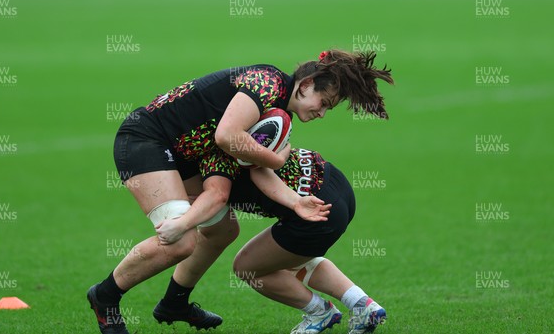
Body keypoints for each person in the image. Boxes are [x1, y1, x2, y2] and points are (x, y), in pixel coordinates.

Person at [87, 50, 394, 334]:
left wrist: (294, 200)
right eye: (324, 102)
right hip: (147, 141)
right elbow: (226, 136)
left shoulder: (271, 112)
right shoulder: (268, 82)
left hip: (190, 153)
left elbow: (240, 160)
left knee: (222, 230)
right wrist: (277, 157)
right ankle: (106, 296)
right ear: (307, 83)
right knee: (181, 242)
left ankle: (174, 302)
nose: (322, 113)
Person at [158, 145, 388, 334]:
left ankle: (319, 312)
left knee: (247, 267)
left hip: (314, 212)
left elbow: (214, 199)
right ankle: (363, 305)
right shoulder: (235, 132)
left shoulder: (205, 164)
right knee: (293, 261)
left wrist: (180, 221)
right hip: (333, 183)